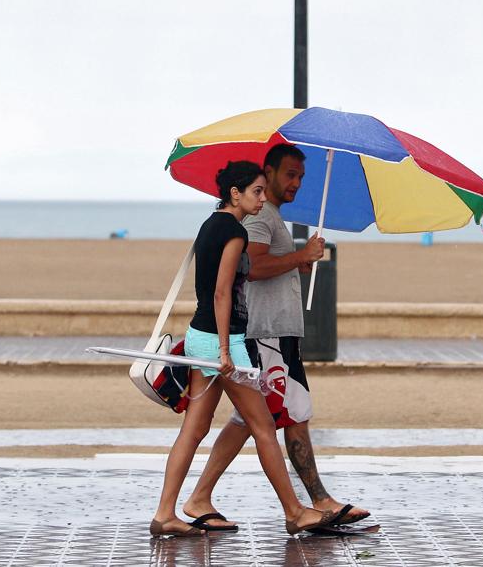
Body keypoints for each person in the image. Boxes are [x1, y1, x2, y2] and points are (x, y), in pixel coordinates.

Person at [183, 144, 371, 531]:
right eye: (289, 174)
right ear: (265, 175)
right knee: (289, 412)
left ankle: (200, 497)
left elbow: (259, 266)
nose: (297, 183)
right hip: (265, 333)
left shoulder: (268, 216)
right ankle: (312, 502)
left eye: (301, 176)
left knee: (252, 418)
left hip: (273, 334)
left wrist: (294, 265)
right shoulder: (256, 218)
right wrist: (301, 257)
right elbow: (251, 268)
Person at [150, 160, 334, 537]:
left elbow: (235, 278)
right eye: (256, 191)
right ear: (235, 193)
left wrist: (296, 261)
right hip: (223, 342)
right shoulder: (233, 231)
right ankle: (295, 512)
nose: (262, 198)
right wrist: (224, 351)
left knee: (194, 428)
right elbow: (221, 293)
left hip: (199, 336)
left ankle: (166, 512)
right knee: (264, 425)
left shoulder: (210, 224)